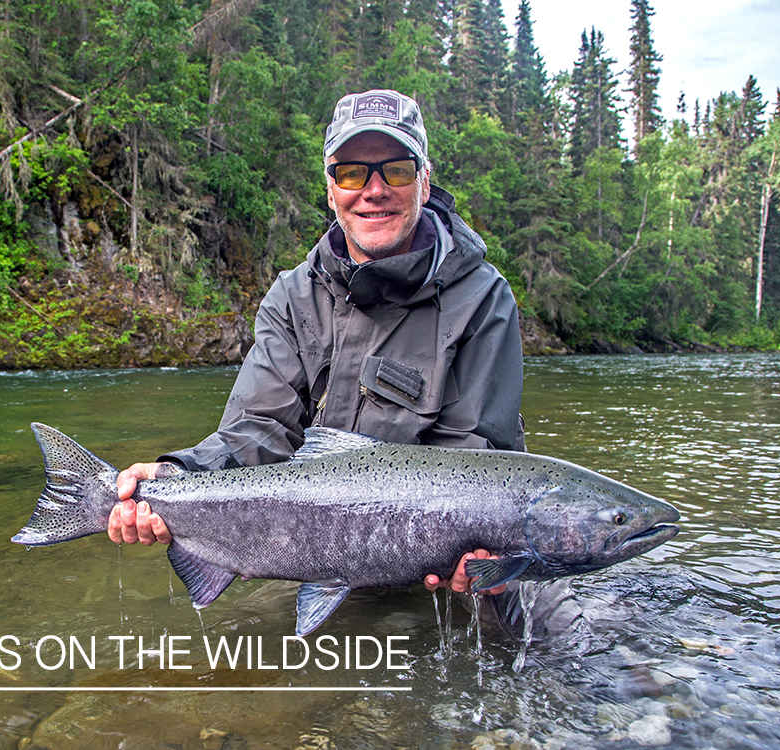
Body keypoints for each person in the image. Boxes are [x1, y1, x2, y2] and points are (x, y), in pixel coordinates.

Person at [109, 89, 525, 595]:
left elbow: (474, 458)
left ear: (424, 178)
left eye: (395, 169)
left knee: (558, 632)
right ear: (331, 190)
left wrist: (481, 558)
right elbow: (259, 431)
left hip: (429, 567)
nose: (373, 190)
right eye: (351, 173)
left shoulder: (484, 299)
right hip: (311, 548)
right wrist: (178, 472)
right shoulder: (292, 295)